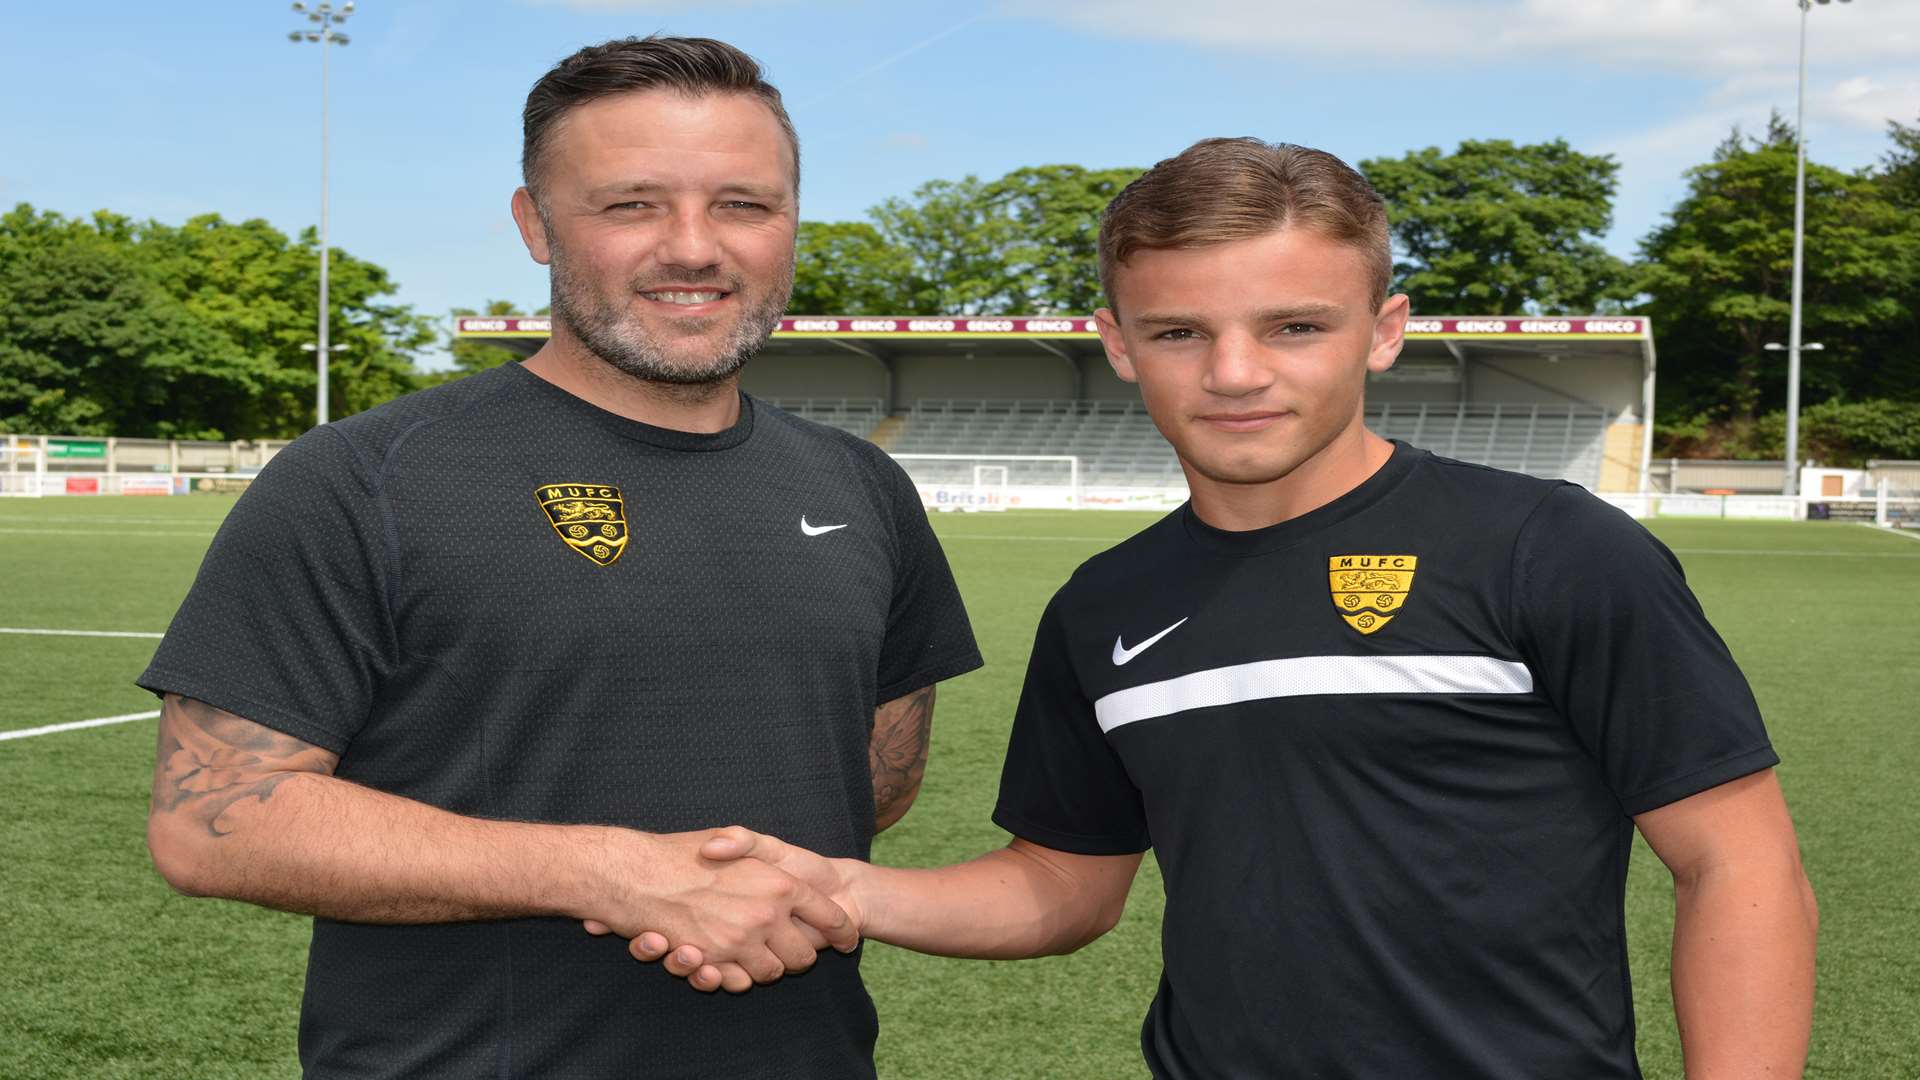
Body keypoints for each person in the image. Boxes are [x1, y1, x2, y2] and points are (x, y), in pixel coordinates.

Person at [648, 139, 1820, 1078]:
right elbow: (1066, 881)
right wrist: (839, 887)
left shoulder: (1548, 547)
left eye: (1294, 326)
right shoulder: (1106, 603)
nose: (1236, 373)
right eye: (1179, 333)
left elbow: (1740, 866)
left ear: (1386, 330)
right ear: (1118, 346)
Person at [140, 36, 980, 1079]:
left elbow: (872, 783)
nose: (692, 247)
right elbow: (211, 825)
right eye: (630, 204)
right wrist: (612, 873)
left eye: (743, 204)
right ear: (535, 225)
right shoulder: (364, 476)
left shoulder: (864, 488)